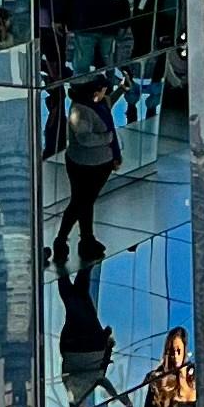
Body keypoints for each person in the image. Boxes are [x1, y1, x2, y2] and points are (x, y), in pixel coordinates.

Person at [54, 80, 121, 268]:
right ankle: (62, 240)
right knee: (79, 202)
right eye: (102, 90)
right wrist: (107, 138)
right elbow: (85, 138)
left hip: (101, 164)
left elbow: (109, 103)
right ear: (94, 91)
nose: (104, 94)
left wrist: (123, 88)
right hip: (84, 164)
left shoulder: (98, 104)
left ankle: (87, 239)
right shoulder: (80, 111)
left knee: (86, 201)